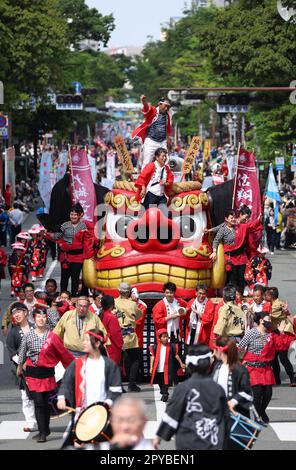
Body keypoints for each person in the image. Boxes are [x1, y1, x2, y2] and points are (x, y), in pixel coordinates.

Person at [154, 344, 230, 450]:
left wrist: (158, 438)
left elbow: (172, 414)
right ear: (209, 364)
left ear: (189, 364)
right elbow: (226, 418)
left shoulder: (184, 388)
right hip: (213, 441)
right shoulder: (218, 389)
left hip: (188, 442)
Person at [57, 329, 122, 448]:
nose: (84, 343)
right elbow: (66, 382)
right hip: (82, 413)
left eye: (87, 340)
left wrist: (104, 406)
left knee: (103, 445)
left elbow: (116, 390)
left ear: (97, 344)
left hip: (103, 414)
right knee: (77, 444)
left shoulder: (109, 365)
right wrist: (62, 398)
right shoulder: (77, 364)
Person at [17, 308, 74, 442]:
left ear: (46, 319)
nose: (41, 319)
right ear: (34, 319)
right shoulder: (28, 335)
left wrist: (73, 367)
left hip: (47, 374)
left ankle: (45, 429)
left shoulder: (52, 336)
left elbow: (63, 353)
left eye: (43, 317)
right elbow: (22, 353)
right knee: (38, 402)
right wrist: (20, 367)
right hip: (32, 373)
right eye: (38, 317)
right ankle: (43, 432)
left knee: (45, 403)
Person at [238, 312, 296, 423]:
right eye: (267, 319)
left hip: (266, 368)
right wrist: (241, 360)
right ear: (261, 321)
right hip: (253, 368)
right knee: (258, 393)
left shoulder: (271, 335)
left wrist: (281, 332)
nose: (270, 321)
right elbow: (240, 346)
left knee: (268, 394)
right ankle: (257, 416)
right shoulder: (251, 333)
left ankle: (261, 411)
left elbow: (281, 346)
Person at [46, 203, 94, 297]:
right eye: (71, 214)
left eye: (75, 214)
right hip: (65, 257)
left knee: (75, 278)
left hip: (78, 257)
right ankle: (63, 297)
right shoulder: (64, 225)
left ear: (80, 215)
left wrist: (89, 257)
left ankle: (74, 298)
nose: (73, 216)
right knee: (64, 278)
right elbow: (58, 236)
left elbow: (88, 243)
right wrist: (48, 234)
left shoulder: (85, 226)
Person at [210, 209, 262, 293]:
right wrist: (214, 251)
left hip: (241, 257)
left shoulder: (242, 227)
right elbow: (216, 241)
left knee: (240, 278)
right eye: (231, 217)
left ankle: (240, 296)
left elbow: (252, 225)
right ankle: (230, 297)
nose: (233, 219)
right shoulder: (223, 229)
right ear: (226, 219)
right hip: (230, 258)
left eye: (234, 217)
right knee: (231, 279)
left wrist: (259, 219)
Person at [6, 303, 37, 432]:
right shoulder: (13, 332)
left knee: (40, 396)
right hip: (23, 368)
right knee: (26, 396)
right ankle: (30, 422)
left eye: (19, 311)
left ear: (25, 312)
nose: (17, 315)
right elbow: (12, 352)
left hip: (39, 365)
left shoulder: (35, 327)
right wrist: (21, 363)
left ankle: (42, 420)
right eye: (14, 313)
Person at [114, 283, 142, 392]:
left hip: (116, 333)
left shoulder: (114, 302)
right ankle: (131, 383)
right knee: (134, 359)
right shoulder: (132, 304)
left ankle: (118, 384)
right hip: (129, 334)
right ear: (128, 292)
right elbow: (138, 315)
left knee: (118, 360)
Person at [265, 287, 296, 386]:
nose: (265, 296)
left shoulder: (277, 305)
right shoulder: (273, 304)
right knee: (274, 359)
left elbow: (268, 316)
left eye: (266, 295)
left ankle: (292, 377)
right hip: (274, 334)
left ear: (270, 296)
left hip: (280, 335)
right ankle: (277, 379)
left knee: (283, 358)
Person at [132, 95, 172, 169]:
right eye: (165, 106)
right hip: (151, 141)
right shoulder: (153, 111)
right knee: (147, 163)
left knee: (166, 162)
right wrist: (143, 101)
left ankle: (164, 179)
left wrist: (168, 142)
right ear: (159, 104)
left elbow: (167, 130)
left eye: (168, 107)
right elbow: (146, 108)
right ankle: (144, 180)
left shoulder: (167, 116)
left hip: (162, 142)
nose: (166, 108)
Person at [150, 329, 185, 402]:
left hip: (168, 368)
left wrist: (181, 363)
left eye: (167, 337)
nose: (166, 338)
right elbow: (152, 356)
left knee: (167, 381)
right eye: (164, 337)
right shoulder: (155, 347)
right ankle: (163, 392)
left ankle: (165, 393)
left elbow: (176, 355)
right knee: (160, 381)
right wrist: (151, 367)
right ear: (159, 338)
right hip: (159, 368)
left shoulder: (171, 346)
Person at [100, 295, 123, 366]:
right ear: (112, 304)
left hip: (105, 344)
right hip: (112, 347)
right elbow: (115, 333)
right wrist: (121, 344)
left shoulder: (102, 314)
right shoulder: (111, 317)